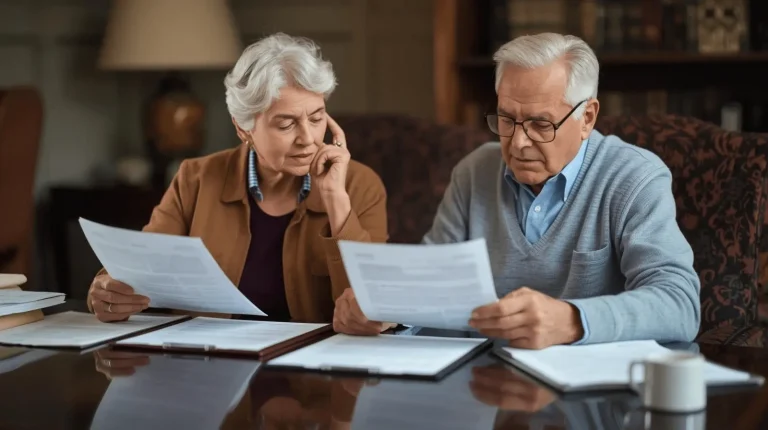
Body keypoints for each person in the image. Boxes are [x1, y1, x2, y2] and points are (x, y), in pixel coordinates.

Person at [335, 33, 701, 348]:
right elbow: (433, 284)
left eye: (541, 124)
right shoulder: (474, 171)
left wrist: (572, 320)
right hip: (482, 387)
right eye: (507, 119)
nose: (519, 143)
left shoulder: (634, 177)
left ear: (587, 118)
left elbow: (679, 304)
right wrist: (386, 308)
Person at [86, 33, 389, 328]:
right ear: (244, 129)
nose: (307, 139)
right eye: (286, 124)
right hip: (211, 355)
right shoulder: (195, 178)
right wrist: (107, 292)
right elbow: (140, 266)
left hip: (315, 360)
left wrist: (335, 198)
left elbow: (373, 305)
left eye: (316, 118)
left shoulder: (360, 185)